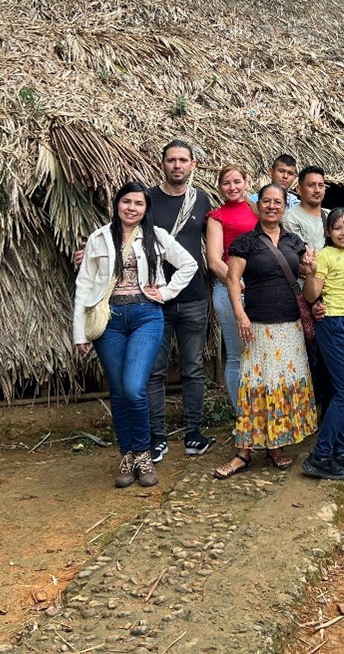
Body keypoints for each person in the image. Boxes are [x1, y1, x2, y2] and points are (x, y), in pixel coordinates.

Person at [74, 182, 199, 488]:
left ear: (146, 208)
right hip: (109, 319)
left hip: (146, 316)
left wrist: (166, 292)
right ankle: (127, 455)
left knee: (133, 388)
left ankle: (143, 453)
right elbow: (84, 285)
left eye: (138, 204)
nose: (132, 208)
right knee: (118, 392)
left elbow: (189, 263)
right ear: (117, 204)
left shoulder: (156, 236)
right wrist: (80, 332)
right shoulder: (99, 238)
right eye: (126, 202)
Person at [214, 185, 319, 478]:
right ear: (257, 206)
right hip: (258, 325)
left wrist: (310, 271)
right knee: (255, 386)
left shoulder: (294, 242)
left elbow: (308, 287)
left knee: (282, 386)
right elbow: (233, 280)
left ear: (285, 207)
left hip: (290, 327)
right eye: (267, 202)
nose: (272, 207)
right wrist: (240, 315)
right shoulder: (246, 242)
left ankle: (275, 444)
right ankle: (243, 452)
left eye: (278, 202)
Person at [146, 140, 216, 460]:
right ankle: (157, 437)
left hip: (193, 298)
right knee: (156, 370)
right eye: (171, 160)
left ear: (193, 164)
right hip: (155, 297)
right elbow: (125, 234)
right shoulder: (147, 198)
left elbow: (216, 241)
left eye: (183, 160)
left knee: (193, 369)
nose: (177, 165)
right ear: (162, 164)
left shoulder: (200, 200)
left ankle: (193, 434)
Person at [303, 208, 344, 482]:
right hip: (334, 323)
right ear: (328, 232)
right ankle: (319, 455)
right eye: (337, 227)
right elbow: (311, 294)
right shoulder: (325, 256)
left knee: (342, 390)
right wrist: (311, 272)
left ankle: (341, 453)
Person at [204, 164, 258, 417]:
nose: (232, 187)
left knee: (259, 354)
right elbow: (214, 260)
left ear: (246, 182)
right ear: (220, 187)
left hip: (260, 289)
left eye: (237, 181)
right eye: (226, 183)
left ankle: (259, 412)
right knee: (237, 355)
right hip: (229, 289)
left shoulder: (259, 209)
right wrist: (234, 281)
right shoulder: (216, 217)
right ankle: (242, 416)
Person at [282, 165, 333, 413]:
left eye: (321, 185)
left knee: (329, 352)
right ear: (299, 189)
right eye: (311, 185)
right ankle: (312, 406)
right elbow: (299, 261)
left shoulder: (329, 215)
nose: (317, 190)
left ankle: (330, 403)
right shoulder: (291, 218)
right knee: (311, 352)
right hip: (307, 292)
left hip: (332, 292)